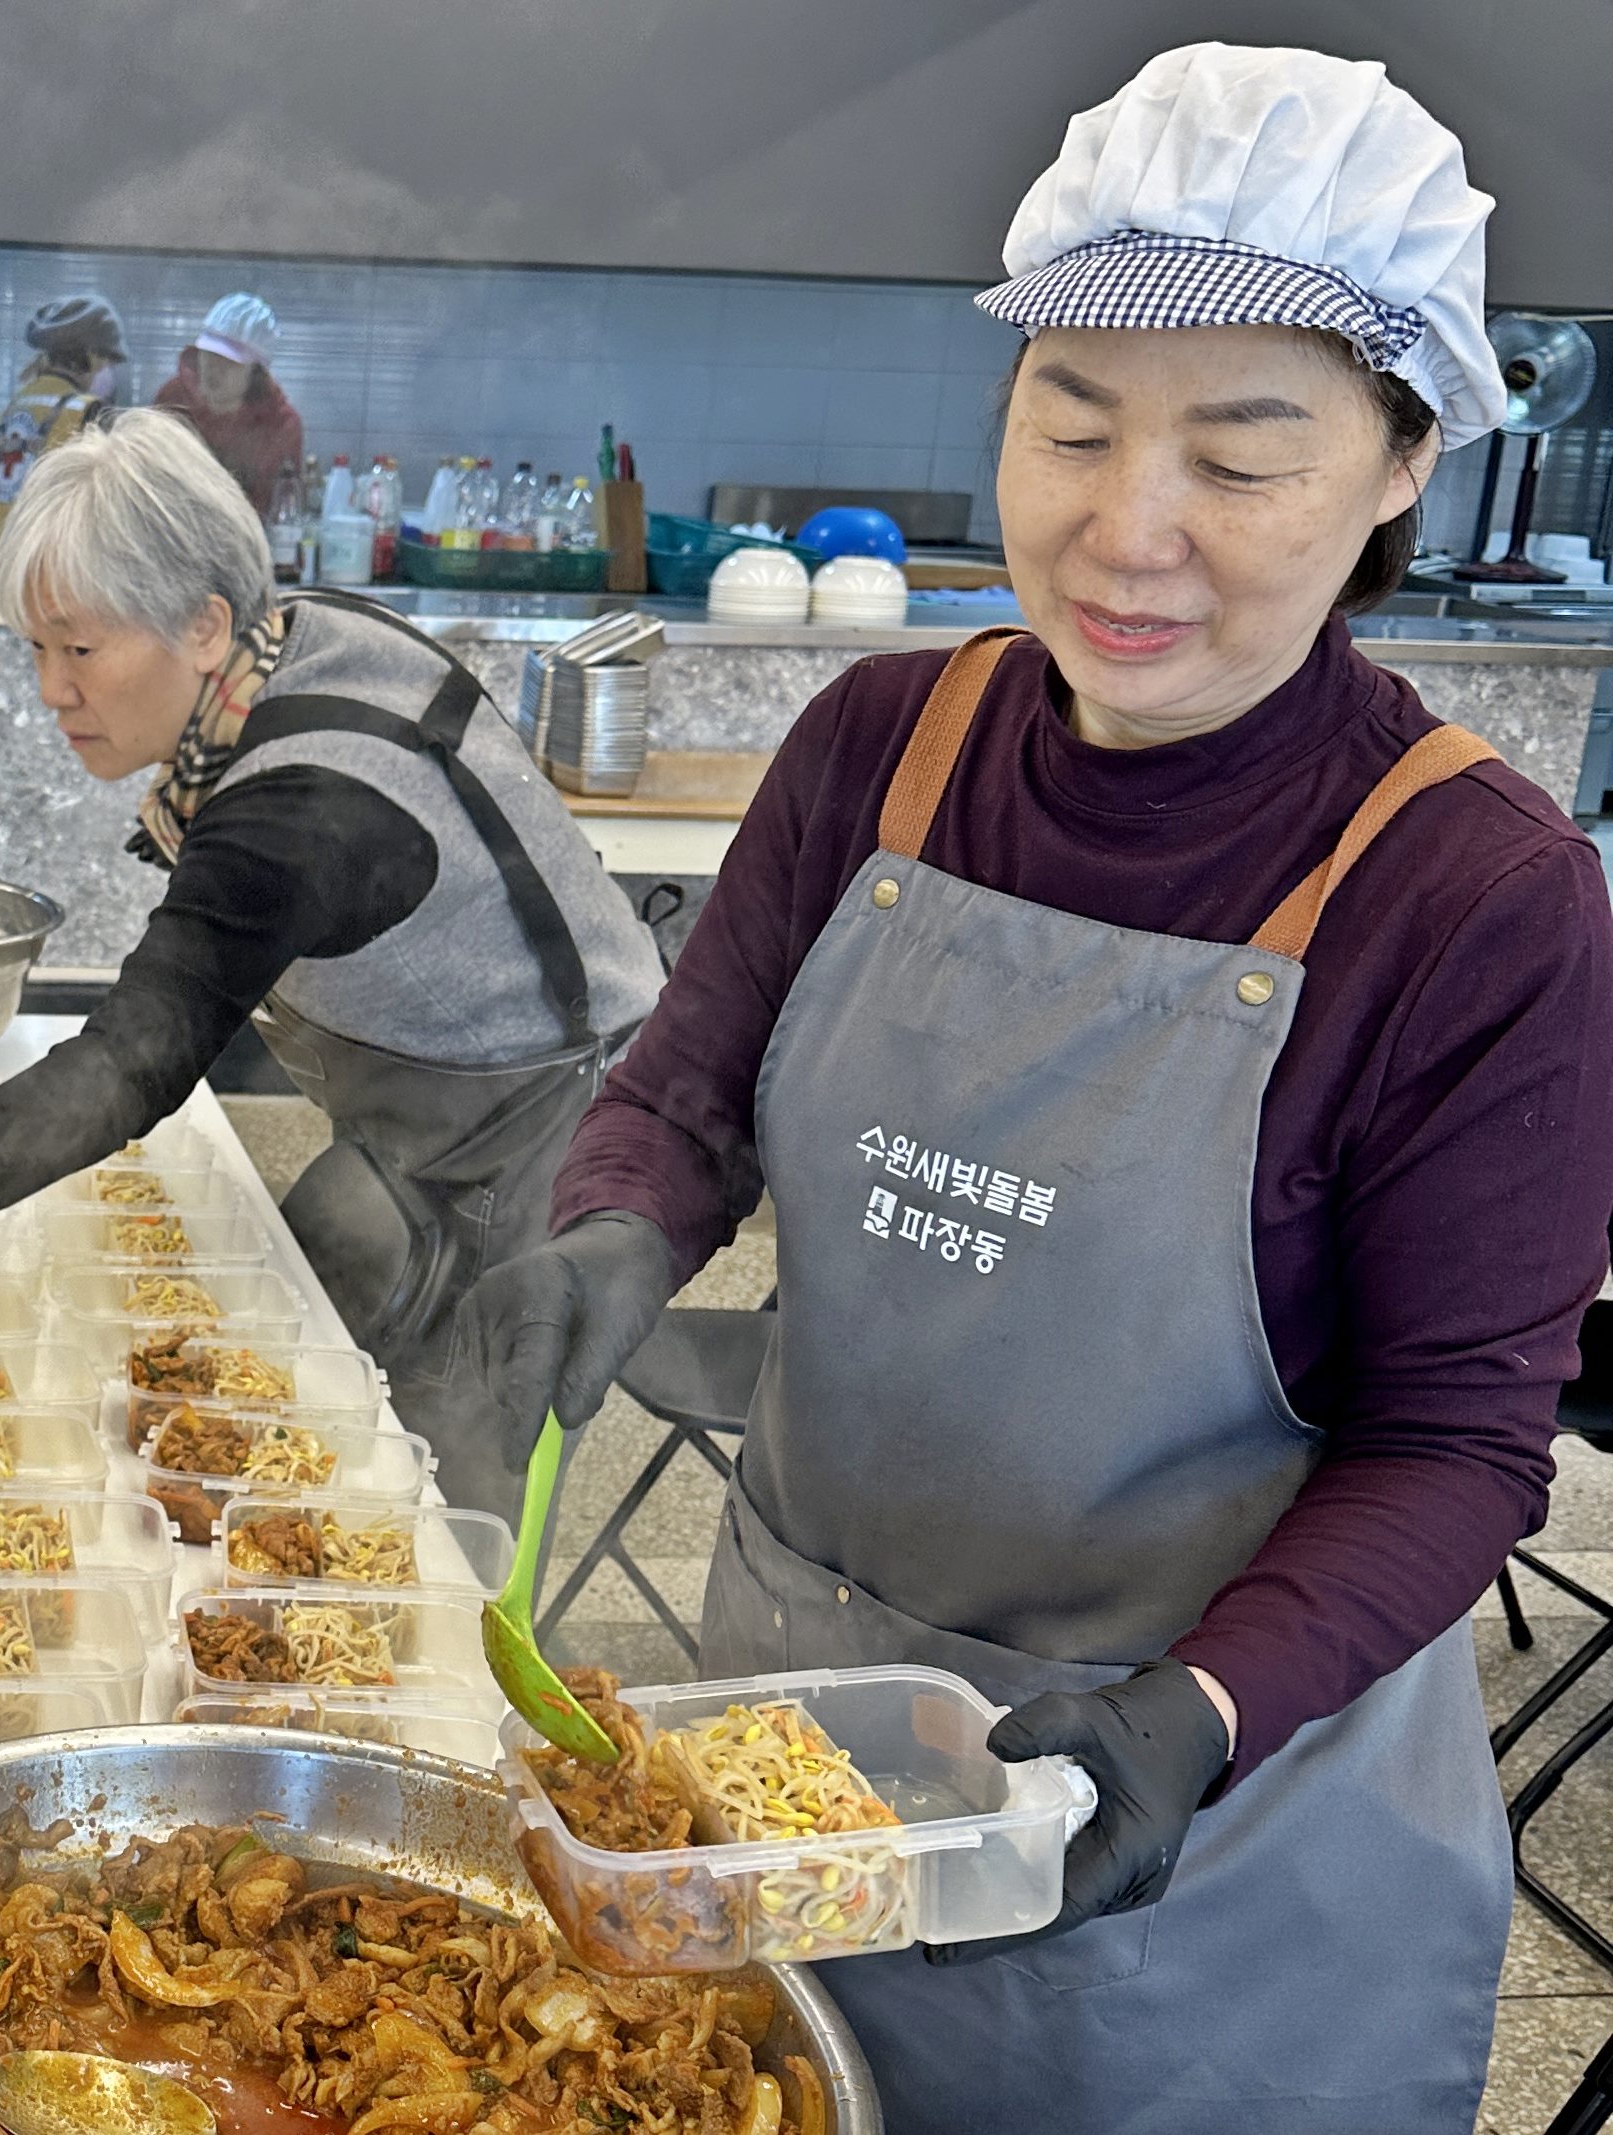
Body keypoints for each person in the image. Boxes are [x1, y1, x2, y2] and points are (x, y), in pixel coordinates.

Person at [464, 43, 1613, 2130]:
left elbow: (1456, 1445)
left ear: (1399, 466)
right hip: (788, 1755)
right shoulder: (884, 744)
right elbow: (693, 1083)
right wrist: (616, 1217)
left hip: (1207, 1832)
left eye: (1240, 455)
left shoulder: (1476, 896)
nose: (1126, 527)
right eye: (1069, 423)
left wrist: (1201, 1707)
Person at [0, 408, 664, 1532]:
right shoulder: (269, 652)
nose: (51, 689)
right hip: (423, 1116)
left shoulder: (311, 799)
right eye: (34, 648)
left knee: (425, 1508)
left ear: (202, 624)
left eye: (80, 648)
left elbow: (137, 1056)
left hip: (546, 1132)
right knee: (314, 1421)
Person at [0, 294, 126, 547]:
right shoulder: (90, 414)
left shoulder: (4, 417)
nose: (107, 369)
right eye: (106, 359)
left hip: (1, 575)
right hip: (55, 577)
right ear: (91, 356)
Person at [151, 292, 303, 517]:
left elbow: (276, 510)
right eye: (209, 355)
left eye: (229, 362)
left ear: (255, 372)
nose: (213, 368)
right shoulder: (173, 399)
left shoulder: (281, 425)